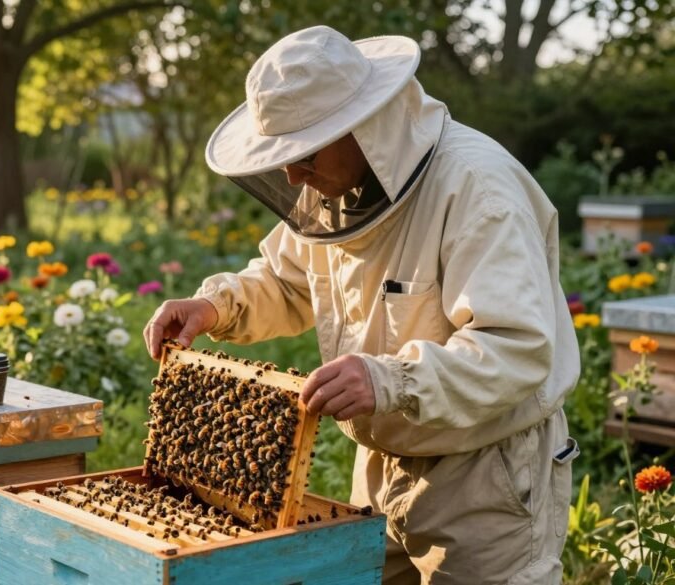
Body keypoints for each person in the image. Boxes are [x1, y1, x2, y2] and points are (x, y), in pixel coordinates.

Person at [142, 25, 580, 584]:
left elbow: (516, 348)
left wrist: (391, 380)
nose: (291, 174)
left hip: (483, 476)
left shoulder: (477, 189)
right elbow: (285, 280)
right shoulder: (334, 192)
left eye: (305, 152)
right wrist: (215, 306)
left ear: (364, 127)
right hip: (376, 467)